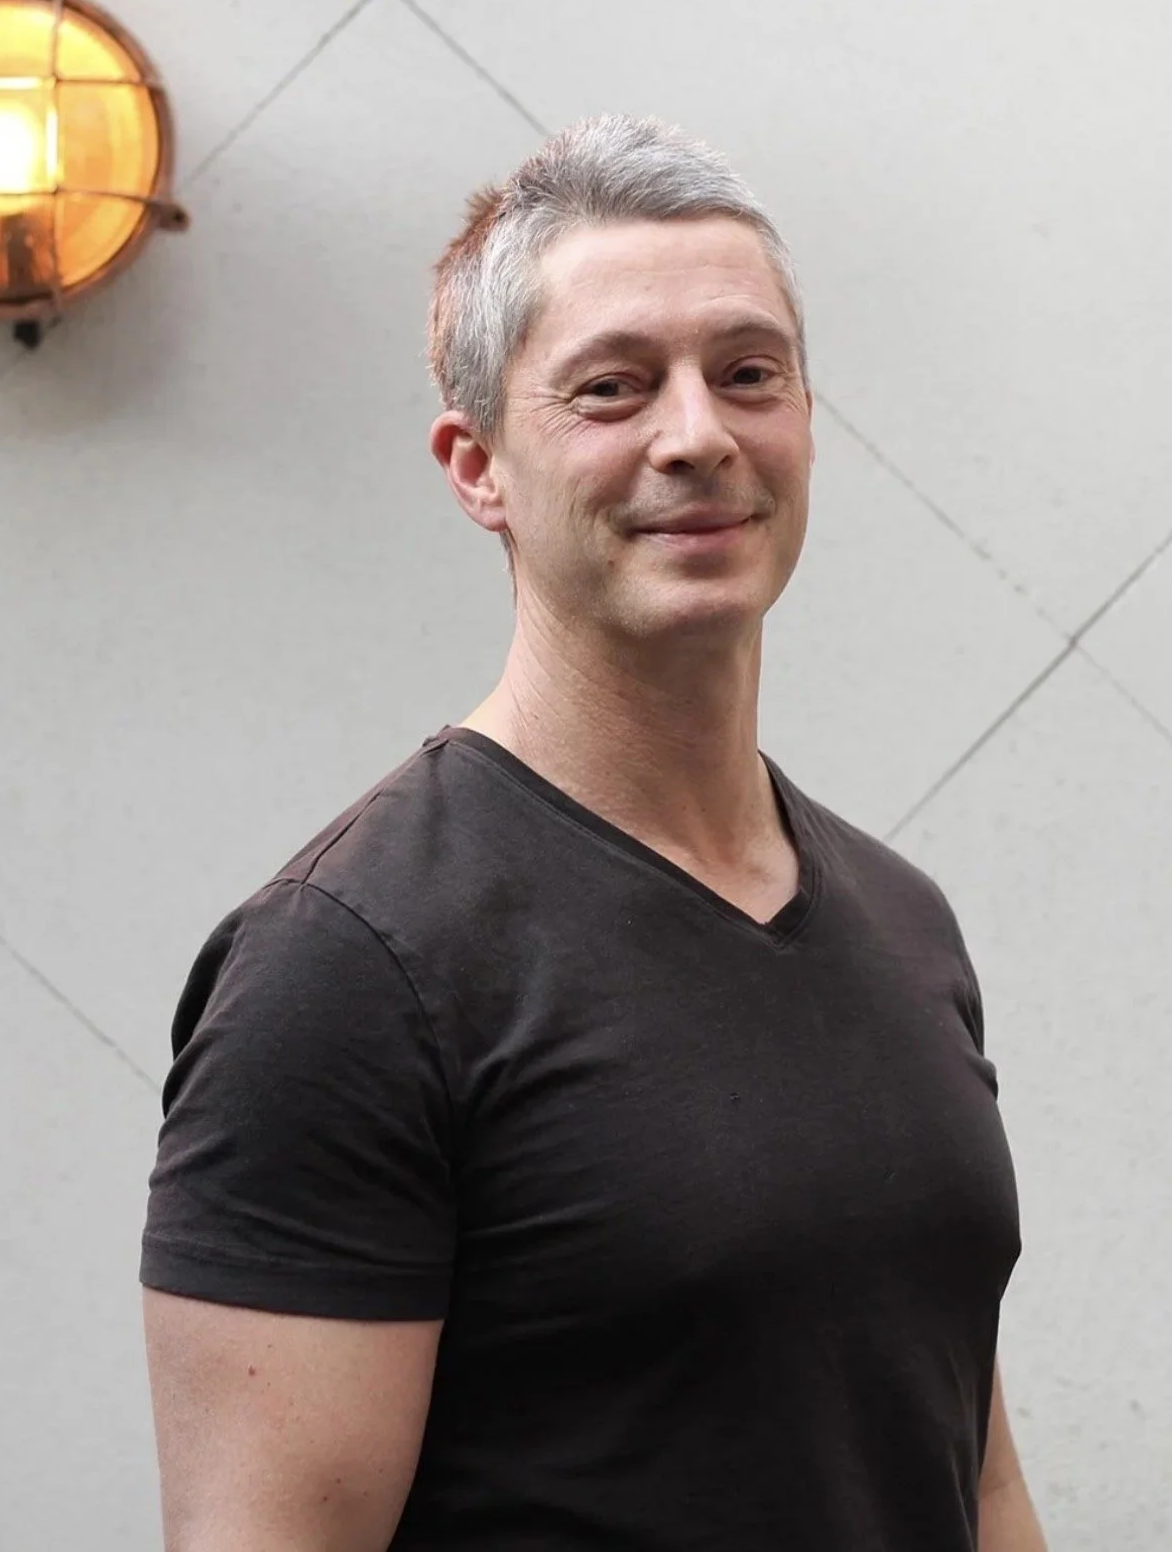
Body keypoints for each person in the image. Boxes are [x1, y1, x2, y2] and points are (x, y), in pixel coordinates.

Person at [139, 113, 1043, 1551]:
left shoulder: (900, 919)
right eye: (612, 389)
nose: (696, 436)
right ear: (475, 465)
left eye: (747, 373)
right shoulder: (352, 968)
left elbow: (971, 1477)